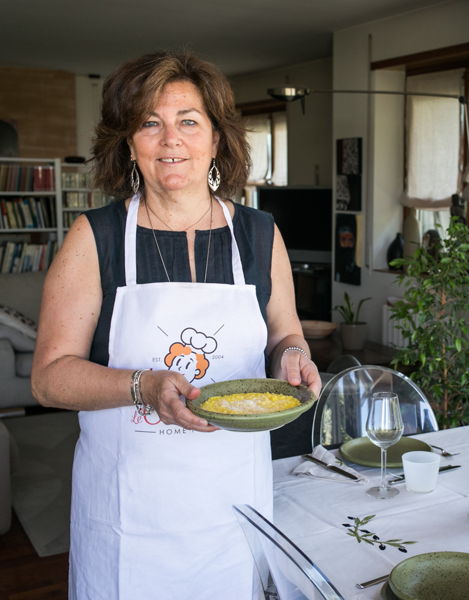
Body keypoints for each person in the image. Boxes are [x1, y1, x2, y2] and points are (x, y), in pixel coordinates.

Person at [30, 51, 322, 599]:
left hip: (235, 506)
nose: (171, 140)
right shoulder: (95, 237)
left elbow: (286, 333)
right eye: (150, 123)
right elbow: (48, 378)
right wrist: (144, 385)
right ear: (127, 142)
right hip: (129, 521)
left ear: (216, 139)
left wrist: (290, 357)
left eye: (189, 121)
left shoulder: (260, 234)